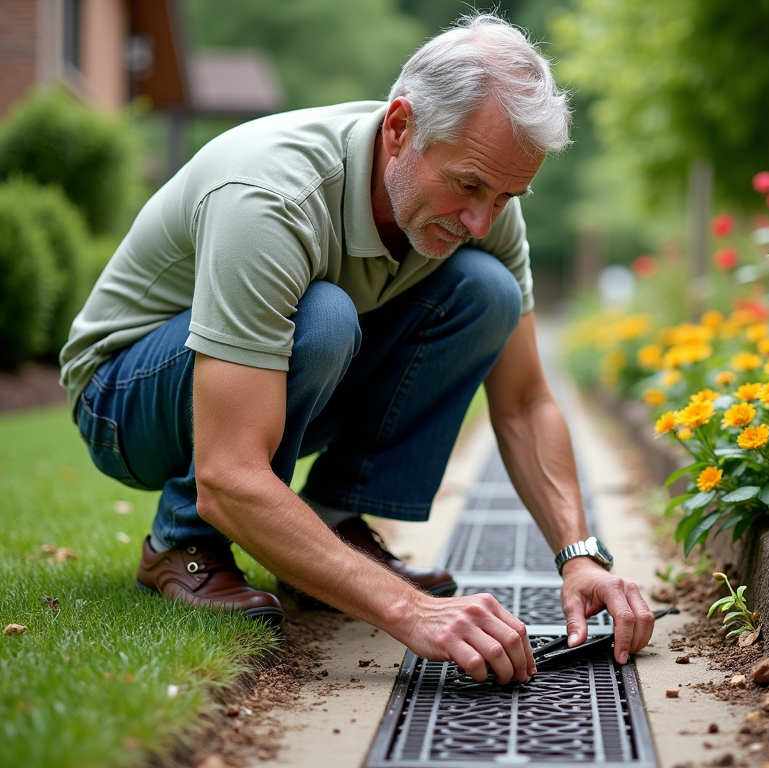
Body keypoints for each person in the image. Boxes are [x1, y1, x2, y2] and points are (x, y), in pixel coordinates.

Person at [60, 14, 654, 685]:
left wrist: (581, 556)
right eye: (468, 186)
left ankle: (334, 524)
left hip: (267, 373)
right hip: (124, 400)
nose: (482, 220)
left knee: (485, 289)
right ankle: (182, 543)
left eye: (505, 196)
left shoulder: (485, 200)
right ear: (400, 129)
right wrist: (410, 611)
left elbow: (521, 403)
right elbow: (229, 475)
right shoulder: (271, 196)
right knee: (324, 317)